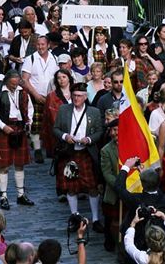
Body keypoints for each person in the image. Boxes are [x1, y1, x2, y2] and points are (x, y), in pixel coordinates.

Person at [53, 83, 104, 230]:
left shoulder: (93, 112)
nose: (76, 98)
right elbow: (55, 129)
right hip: (70, 153)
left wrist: (88, 139)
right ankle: (75, 217)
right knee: (71, 187)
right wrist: (65, 136)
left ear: (85, 96)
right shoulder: (64, 110)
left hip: (87, 153)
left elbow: (99, 131)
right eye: (74, 95)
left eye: (80, 96)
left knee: (92, 186)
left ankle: (95, 219)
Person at [0, 70, 34, 210]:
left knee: (20, 164)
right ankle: (3, 196)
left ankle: (21, 195)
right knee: (4, 165)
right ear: (7, 81)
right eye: (12, 84)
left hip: (20, 128)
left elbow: (29, 108)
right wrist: (3, 126)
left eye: (16, 83)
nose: (14, 87)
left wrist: (28, 122)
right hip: (5, 129)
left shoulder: (23, 92)